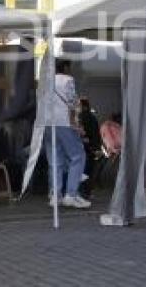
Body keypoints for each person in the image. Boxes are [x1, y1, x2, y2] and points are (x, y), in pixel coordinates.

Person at [44, 60, 91, 209]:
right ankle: (71, 195)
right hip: (64, 122)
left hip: (47, 124)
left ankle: (55, 195)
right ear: (65, 67)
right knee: (78, 156)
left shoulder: (45, 81)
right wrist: (76, 124)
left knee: (54, 160)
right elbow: (72, 103)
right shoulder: (67, 80)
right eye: (69, 67)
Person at [77, 98, 101, 199]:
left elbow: (82, 133)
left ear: (83, 106)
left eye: (79, 105)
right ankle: (88, 192)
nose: (77, 107)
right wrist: (96, 147)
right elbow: (97, 134)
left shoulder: (80, 117)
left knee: (82, 171)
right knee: (90, 171)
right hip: (92, 147)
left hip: (84, 147)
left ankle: (81, 192)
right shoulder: (93, 117)